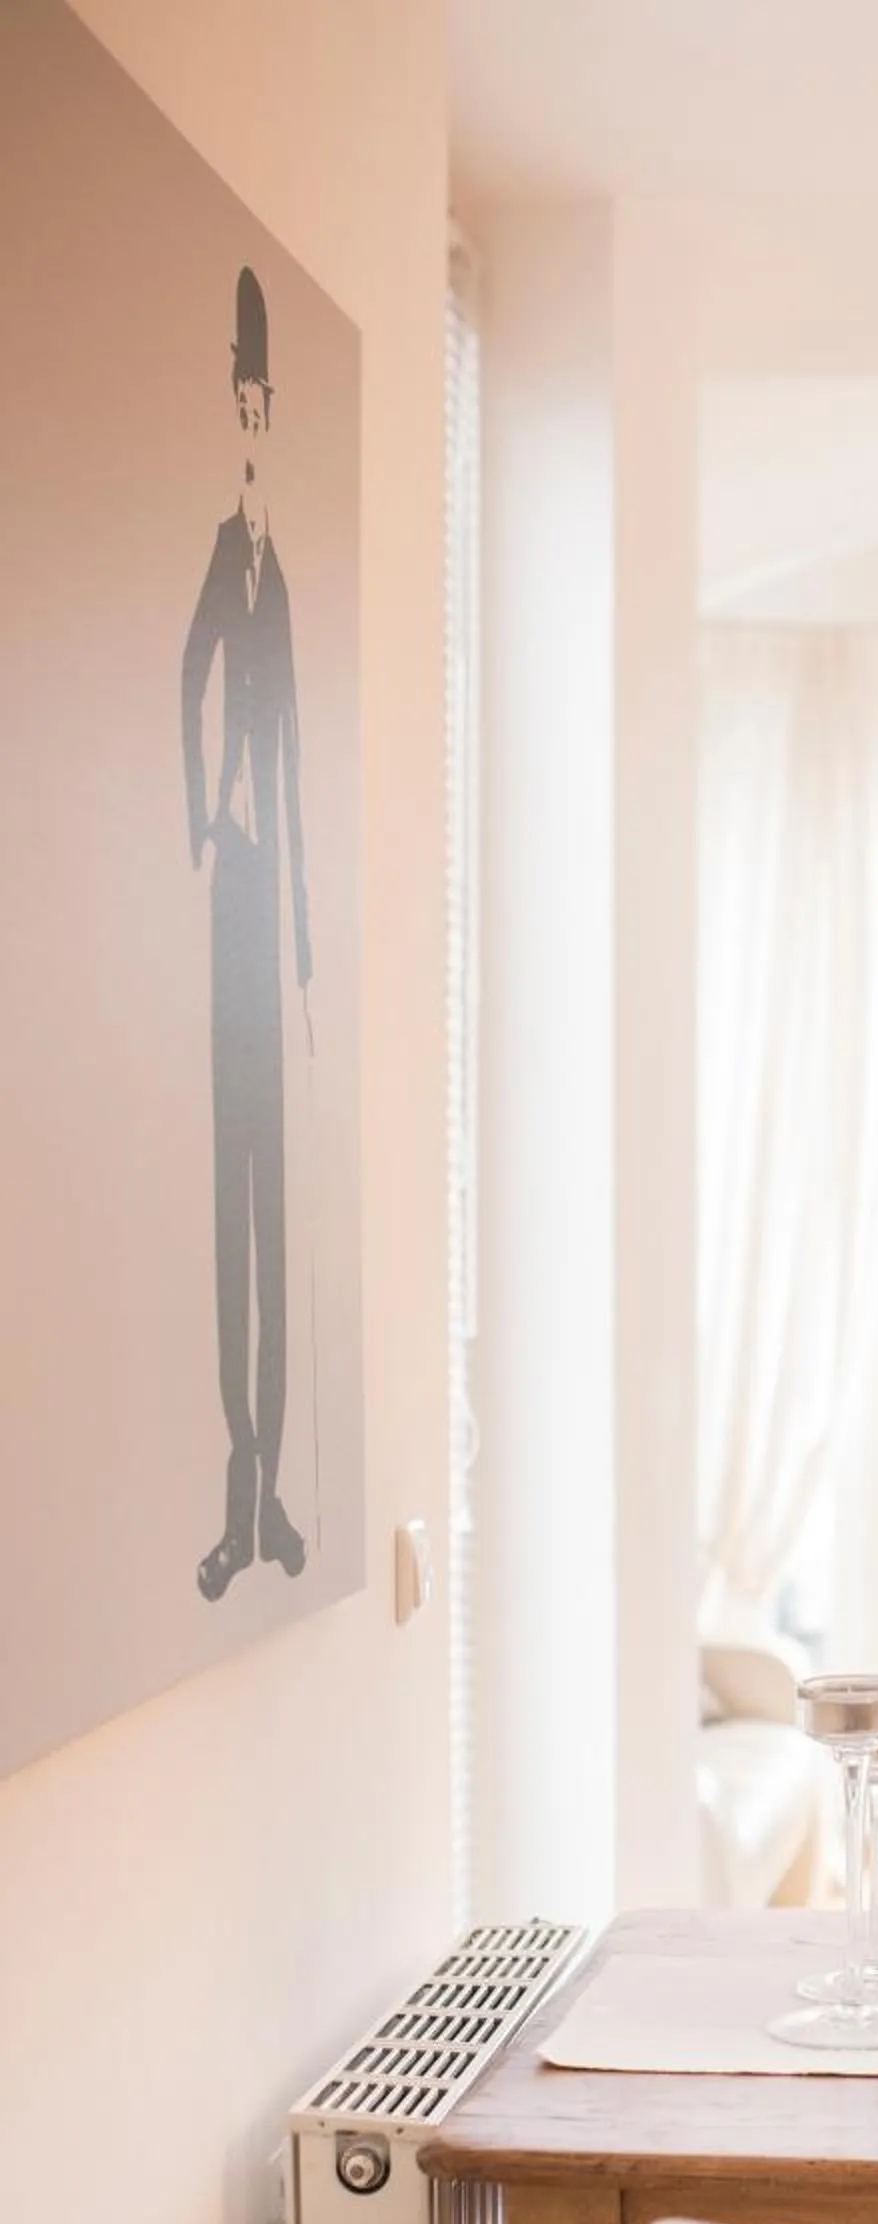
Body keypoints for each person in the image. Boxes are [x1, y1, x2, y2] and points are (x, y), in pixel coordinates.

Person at [181, 263, 312, 1601]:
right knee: (234, 1215)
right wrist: (200, 821)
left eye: (264, 398)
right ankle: (237, 1487)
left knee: (277, 1207)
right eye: (244, 396)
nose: (253, 417)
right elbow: (183, 672)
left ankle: (275, 1491)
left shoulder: (288, 571)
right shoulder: (228, 553)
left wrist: (314, 930)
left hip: (274, 925)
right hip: (230, 901)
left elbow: (310, 754)